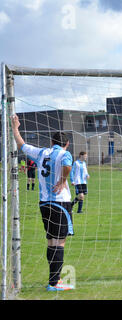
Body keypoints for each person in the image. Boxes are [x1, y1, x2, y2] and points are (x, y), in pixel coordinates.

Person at [11, 114, 75, 292]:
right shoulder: (65, 153)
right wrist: (63, 180)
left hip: (44, 203)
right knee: (59, 243)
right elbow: (68, 164)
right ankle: (54, 283)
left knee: (51, 241)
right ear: (66, 143)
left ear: (51, 141)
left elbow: (22, 145)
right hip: (60, 203)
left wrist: (15, 128)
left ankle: (55, 279)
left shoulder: (42, 152)